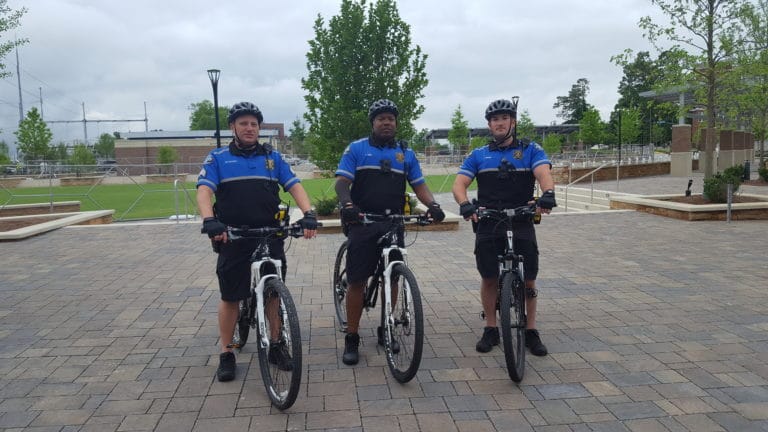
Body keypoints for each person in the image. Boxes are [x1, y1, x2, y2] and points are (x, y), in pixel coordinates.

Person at [196, 101, 318, 382]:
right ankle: (226, 352)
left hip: (270, 233)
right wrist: (209, 220)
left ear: (259, 127)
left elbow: (294, 185)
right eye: (243, 124)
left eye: (253, 124)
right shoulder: (218, 158)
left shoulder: (273, 159)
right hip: (234, 235)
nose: (249, 128)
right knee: (231, 296)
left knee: (273, 293)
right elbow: (204, 191)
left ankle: (276, 344)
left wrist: (308, 213)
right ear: (233, 128)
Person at [335, 98, 445, 365]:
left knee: (393, 277)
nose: (387, 122)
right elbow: (341, 183)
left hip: (393, 222)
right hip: (363, 222)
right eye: (381, 118)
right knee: (357, 281)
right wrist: (348, 205)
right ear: (373, 123)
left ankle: (387, 327)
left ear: (396, 123)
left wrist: (433, 205)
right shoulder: (357, 149)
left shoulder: (405, 153)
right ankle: (352, 335)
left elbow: (419, 185)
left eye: (391, 119)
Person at [452, 98, 556, 357]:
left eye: (504, 118)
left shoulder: (531, 149)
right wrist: (465, 204)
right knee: (488, 277)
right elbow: (459, 184)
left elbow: (543, 173)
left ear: (513, 122)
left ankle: (530, 329)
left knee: (529, 277)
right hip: (489, 219)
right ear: (490, 125)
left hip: (521, 218)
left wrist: (549, 192)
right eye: (494, 119)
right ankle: (490, 327)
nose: (499, 123)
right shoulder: (478, 154)